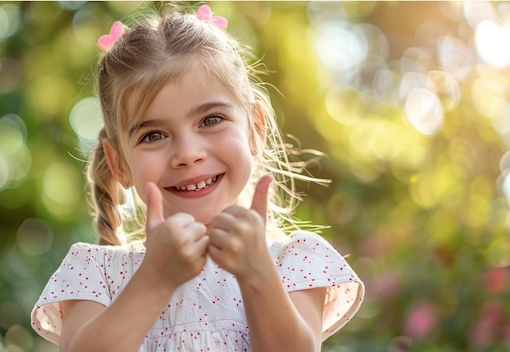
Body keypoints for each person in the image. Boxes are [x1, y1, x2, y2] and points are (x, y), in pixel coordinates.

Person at [31, 4, 364, 351]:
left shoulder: (292, 262)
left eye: (210, 120)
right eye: (153, 136)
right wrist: (154, 280)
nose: (188, 154)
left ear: (256, 129)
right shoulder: (96, 272)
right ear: (119, 165)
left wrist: (258, 277)